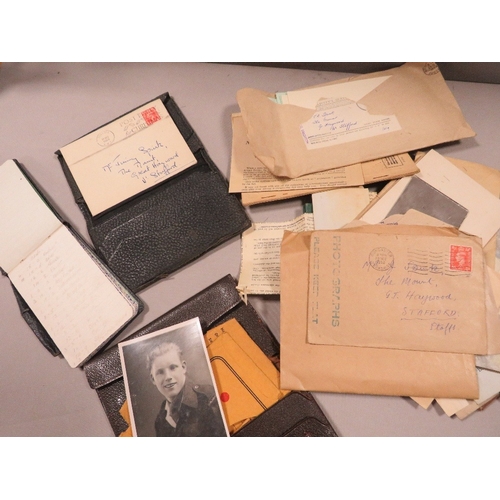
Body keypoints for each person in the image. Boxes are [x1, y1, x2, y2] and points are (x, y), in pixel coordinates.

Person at [147, 341, 227, 437]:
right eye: (160, 372)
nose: (168, 377)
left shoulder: (208, 397)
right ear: (153, 379)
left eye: (173, 368)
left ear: (183, 367)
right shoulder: (161, 419)